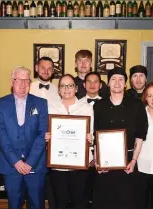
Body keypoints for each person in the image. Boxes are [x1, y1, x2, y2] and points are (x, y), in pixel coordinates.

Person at [93, 67, 148, 209]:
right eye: (113, 79)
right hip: (105, 163)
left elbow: (140, 136)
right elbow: (95, 136)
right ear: (108, 83)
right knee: (105, 202)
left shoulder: (137, 105)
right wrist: (97, 161)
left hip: (128, 162)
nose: (117, 83)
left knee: (127, 202)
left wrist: (134, 161)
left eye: (121, 79)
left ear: (125, 84)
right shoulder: (99, 106)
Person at [0, 66, 48, 209]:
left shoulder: (41, 103)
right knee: (14, 204)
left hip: (35, 165)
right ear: (12, 82)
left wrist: (30, 162)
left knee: (37, 204)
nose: (23, 84)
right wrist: (16, 162)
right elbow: (0, 134)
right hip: (10, 166)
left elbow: (43, 133)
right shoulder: (1, 103)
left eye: (27, 80)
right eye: (19, 80)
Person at [46, 74, 93, 209]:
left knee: (79, 202)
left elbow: (92, 132)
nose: (67, 89)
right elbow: (46, 131)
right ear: (59, 90)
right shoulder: (51, 108)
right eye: (63, 86)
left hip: (79, 165)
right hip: (58, 165)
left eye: (70, 85)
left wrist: (91, 138)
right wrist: (46, 137)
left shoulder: (87, 108)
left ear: (76, 88)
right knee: (60, 202)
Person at [29, 56, 58, 209]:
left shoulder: (57, 90)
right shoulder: (28, 87)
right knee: (34, 187)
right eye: (43, 68)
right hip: (33, 145)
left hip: (54, 144)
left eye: (49, 68)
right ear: (36, 68)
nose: (46, 71)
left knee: (52, 184)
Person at [78, 71, 102, 206]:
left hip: (101, 155)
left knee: (99, 192)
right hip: (82, 154)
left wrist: (97, 154)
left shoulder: (107, 104)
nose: (92, 85)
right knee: (82, 191)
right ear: (83, 84)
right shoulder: (77, 104)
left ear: (100, 85)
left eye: (96, 82)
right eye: (89, 82)